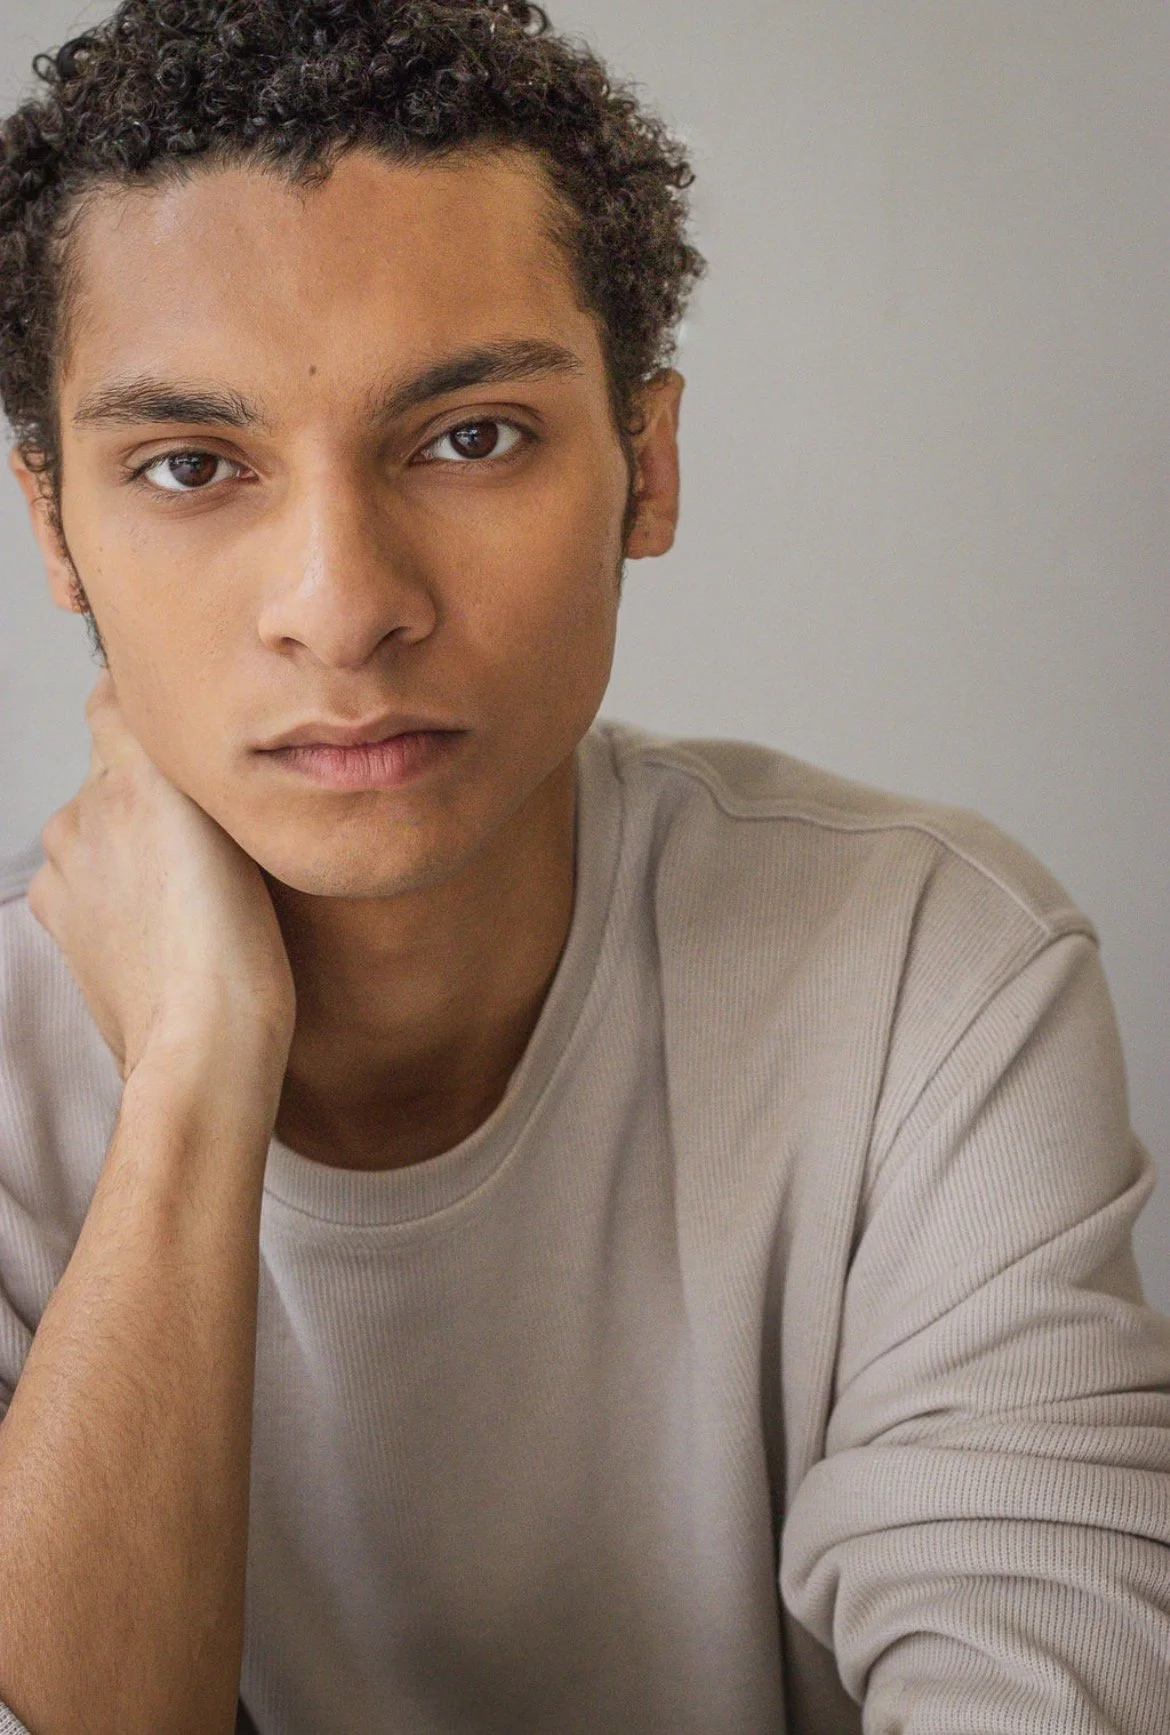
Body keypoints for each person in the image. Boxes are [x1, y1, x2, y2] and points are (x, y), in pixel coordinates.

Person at [0, 0, 1167, 1730]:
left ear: (647, 464)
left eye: (469, 435)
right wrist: (187, 1084)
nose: (342, 601)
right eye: (190, 465)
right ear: (57, 530)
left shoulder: (926, 963)